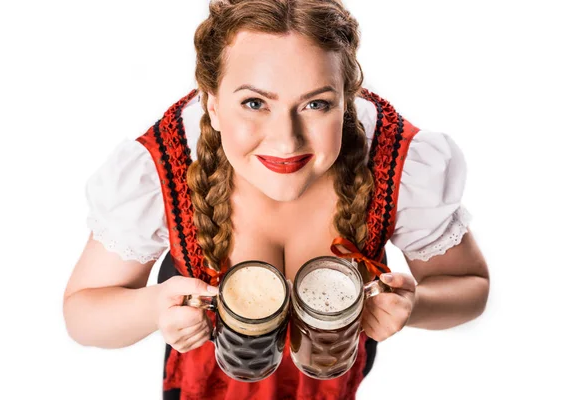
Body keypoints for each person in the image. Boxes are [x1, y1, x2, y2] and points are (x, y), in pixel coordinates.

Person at [63, 0, 490, 399]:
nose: (286, 142)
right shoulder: (164, 164)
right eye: (254, 102)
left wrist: (415, 307)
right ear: (211, 104)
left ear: (347, 101)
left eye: (316, 104)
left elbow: (473, 286)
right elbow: (81, 315)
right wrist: (152, 307)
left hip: (332, 380)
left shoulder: (399, 159)